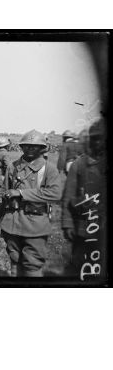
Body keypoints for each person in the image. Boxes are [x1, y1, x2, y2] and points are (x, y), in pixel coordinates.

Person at [0, 130, 62, 277]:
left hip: (35, 224)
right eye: (26, 145)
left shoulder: (48, 168)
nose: (30, 149)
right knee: (14, 260)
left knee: (33, 265)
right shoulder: (13, 167)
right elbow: (4, 193)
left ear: (42, 148)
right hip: (12, 222)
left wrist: (22, 193)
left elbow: (55, 194)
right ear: (21, 146)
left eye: (35, 146)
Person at [61, 118, 106, 278]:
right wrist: (67, 224)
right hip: (84, 227)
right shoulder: (79, 164)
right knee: (79, 266)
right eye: (95, 138)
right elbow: (68, 197)